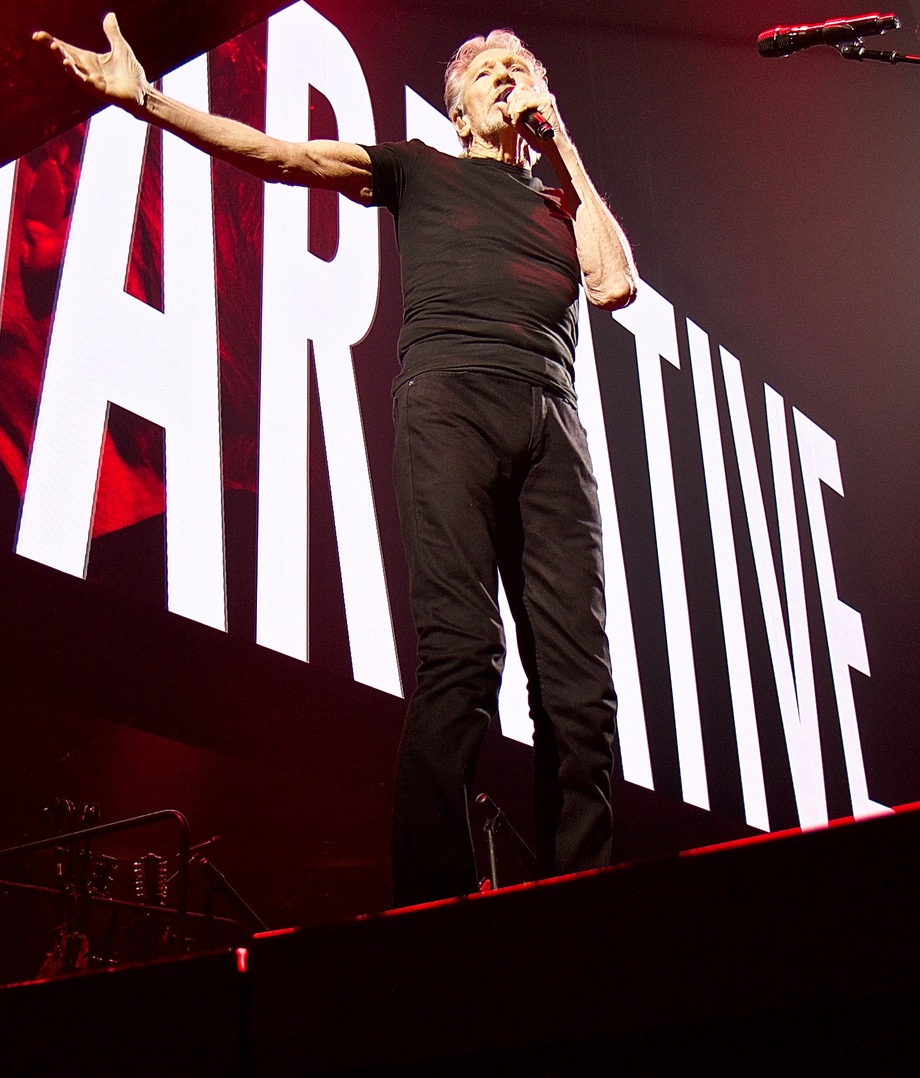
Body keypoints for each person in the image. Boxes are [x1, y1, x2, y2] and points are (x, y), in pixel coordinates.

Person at [35, 13, 637, 905]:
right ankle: (435, 903)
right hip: (448, 402)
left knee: (579, 694)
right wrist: (150, 102)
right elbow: (286, 156)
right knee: (465, 655)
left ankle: (581, 903)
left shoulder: (562, 203)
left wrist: (564, 145)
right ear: (459, 112)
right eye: (491, 73)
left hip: (554, 424)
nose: (509, 77)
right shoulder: (418, 167)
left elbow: (614, 282)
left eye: (523, 68)